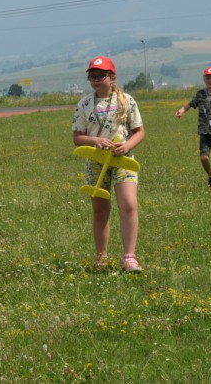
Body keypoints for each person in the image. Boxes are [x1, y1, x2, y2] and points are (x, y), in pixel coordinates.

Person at [72, 56, 145, 272]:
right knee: (100, 210)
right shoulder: (84, 104)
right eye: (92, 76)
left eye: (100, 75)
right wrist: (95, 141)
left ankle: (129, 257)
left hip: (123, 159)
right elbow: (78, 137)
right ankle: (101, 256)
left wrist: (127, 144)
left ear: (112, 77)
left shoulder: (127, 101)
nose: (95, 79)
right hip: (96, 161)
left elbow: (139, 132)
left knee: (129, 205)